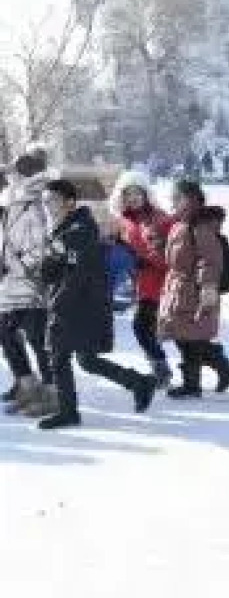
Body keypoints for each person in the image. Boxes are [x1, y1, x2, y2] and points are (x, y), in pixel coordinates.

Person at [35, 180, 157, 429]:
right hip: (77, 303)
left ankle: (68, 412)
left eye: (53, 201)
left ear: (70, 203)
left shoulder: (79, 231)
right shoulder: (63, 229)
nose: (48, 206)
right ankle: (139, 382)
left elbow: (77, 274)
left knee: (59, 356)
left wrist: (57, 302)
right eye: (45, 201)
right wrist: (46, 268)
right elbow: (54, 269)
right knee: (85, 360)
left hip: (79, 305)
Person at [159, 180, 229, 398]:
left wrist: (207, 288)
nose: (174, 201)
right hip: (178, 289)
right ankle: (222, 367)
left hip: (194, 290)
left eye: (179, 197)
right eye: (173, 197)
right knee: (184, 337)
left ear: (192, 200)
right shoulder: (179, 224)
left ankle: (194, 383)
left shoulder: (201, 226)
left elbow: (210, 260)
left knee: (190, 338)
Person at [0, 149, 56, 417]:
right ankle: (27, 386)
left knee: (37, 338)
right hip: (12, 281)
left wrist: (20, 265)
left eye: (15, 174)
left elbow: (42, 245)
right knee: (6, 332)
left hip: (31, 281)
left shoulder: (36, 203)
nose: (10, 178)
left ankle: (51, 394)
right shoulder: (13, 202)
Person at [111, 170, 175, 388]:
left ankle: (162, 371)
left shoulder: (159, 218)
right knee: (148, 329)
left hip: (160, 282)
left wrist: (146, 260)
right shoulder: (124, 220)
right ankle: (162, 370)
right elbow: (125, 248)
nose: (133, 198)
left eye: (137, 193)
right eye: (128, 194)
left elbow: (171, 254)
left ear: (146, 194)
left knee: (143, 327)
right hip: (139, 284)